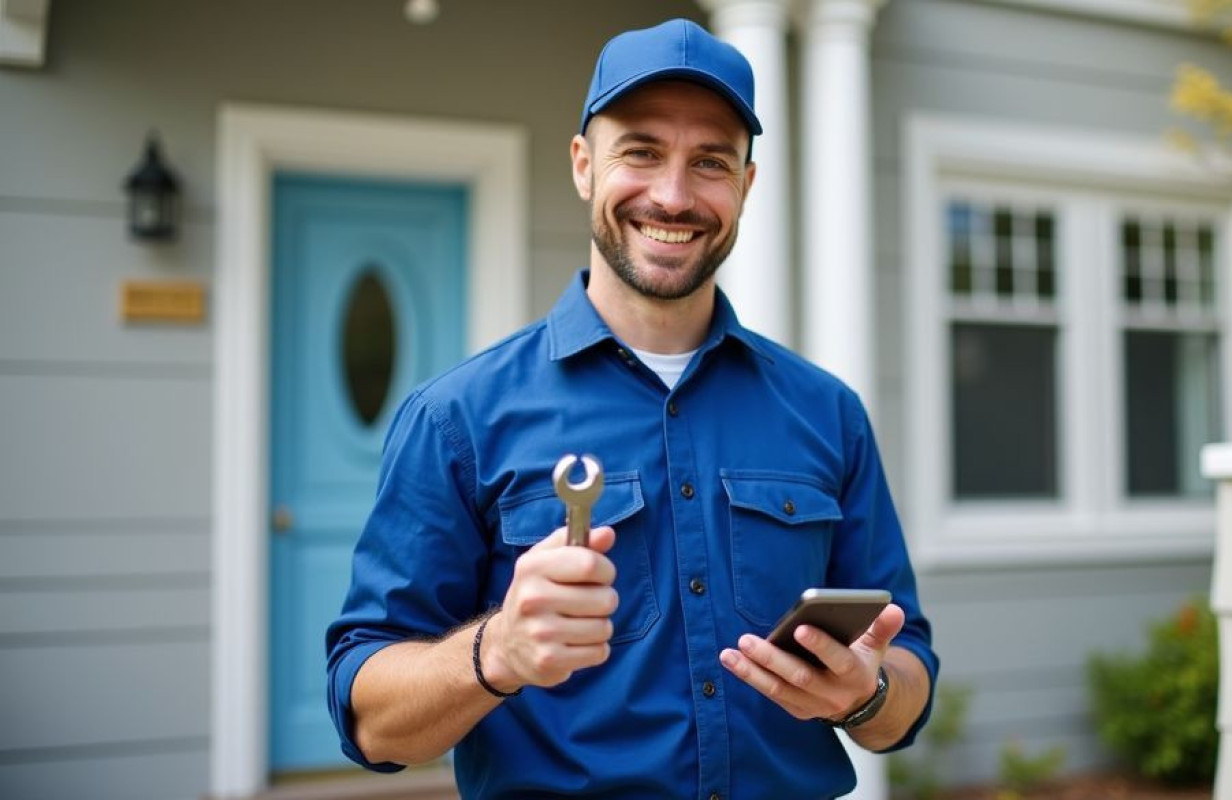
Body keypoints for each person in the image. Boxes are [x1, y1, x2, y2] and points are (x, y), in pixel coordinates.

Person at [326, 17, 938, 799]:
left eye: (710, 162)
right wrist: (497, 652)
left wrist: (871, 693)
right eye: (641, 152)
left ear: (746, 186)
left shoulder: (828, 414)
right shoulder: (457, 419)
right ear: (584, 166)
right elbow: (370, 719)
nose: (674, 196)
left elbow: (907, 675)